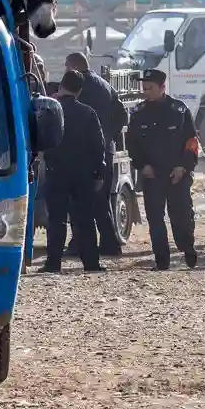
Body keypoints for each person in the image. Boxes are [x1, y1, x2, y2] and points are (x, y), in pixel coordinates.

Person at [125, 69, 199, 270]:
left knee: (181, 216)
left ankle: (187, 247)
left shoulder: (179, 110)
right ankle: (162, 260)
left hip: (177, 174)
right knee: (155, 218)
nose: (146, 91)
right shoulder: (139, 113)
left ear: (162, 88)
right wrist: (142, 165)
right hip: (153, 174)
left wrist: (183, 166)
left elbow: (191, 142)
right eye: (144, 88)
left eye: (150, 88)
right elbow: (132, 143)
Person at [38, 70, 106, 274]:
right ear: (80, 90)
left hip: (56, 171)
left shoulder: (50, 110)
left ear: (61, 86)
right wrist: (99, 173)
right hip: (82, 174)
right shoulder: (88, 113)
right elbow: (98, 145)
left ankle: (53, 263)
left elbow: (41, 139)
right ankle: (91, 263)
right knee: (84, 219)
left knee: (56, 219)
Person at [64, 52, 128, 257]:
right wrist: (110, 136)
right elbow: (122, 116)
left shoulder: (79, 88)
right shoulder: (105, 85)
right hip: (105, 150)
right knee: (100, 200)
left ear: (72, 67)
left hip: (84, 152)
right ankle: (110, 243)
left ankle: (81, 243)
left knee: (78, 200)